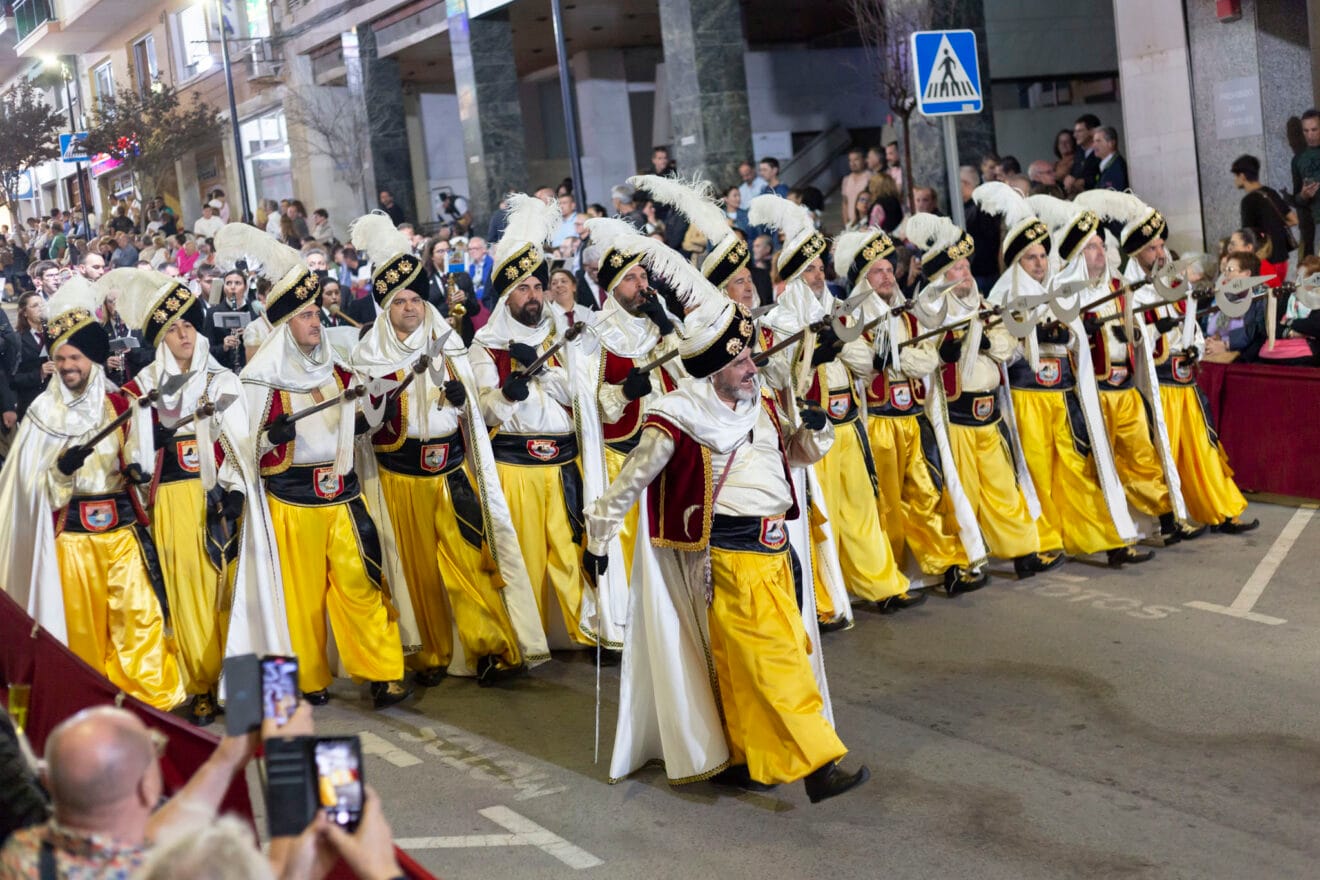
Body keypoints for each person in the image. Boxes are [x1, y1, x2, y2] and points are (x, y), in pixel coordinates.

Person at [584, 244, 869, 802]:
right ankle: (817, 765)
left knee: (753, 664)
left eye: (750, 360)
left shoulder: (759, 400)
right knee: (775, 661)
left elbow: (793, 455)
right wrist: (598, 537)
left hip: (778, 550)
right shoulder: (680, 416)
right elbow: (631, 482)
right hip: (728, 560)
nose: (752, 369)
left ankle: (744, 756)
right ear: (714, 370)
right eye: (741, 364)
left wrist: (816, 428)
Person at [349, 214, 546, 686]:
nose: (411, 308)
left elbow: (480, 412)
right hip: (397, 477)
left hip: (451, 472)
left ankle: (490, 649)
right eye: (400, 301)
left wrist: (463, 405)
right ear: (385, 308)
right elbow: (361, 425)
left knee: (470, 561)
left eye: (416, 299)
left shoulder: (451, 346)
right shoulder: (365, 356)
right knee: (413, 572)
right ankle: (429, 655)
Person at [226, 224, 413, 709]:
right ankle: (309, 680)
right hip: (291, 499)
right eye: (306, 315)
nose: (316, 322)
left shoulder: (340, 371)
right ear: (285, 325)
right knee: (302, 598)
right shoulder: (259, 380)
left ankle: (383, 673)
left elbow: (368, 422)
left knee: (361, 582)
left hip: (344, 494)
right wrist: (272, 436)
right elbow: (240, 449)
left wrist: (376, 405)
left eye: (316, 313)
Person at [107, 267, 291, 726]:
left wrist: (233, 490)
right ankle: (201, 687)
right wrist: (148, 439)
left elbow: (242, 442)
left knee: (235, 594)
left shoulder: (222, 381)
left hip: (221, 499)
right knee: (188, 598)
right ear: (159, 339)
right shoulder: (142, 390)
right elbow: (130, 457)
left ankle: (248, 691)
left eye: (189, 324)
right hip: (171, 500)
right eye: (173, 329)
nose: (184, 334)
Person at [0, 277, 186, 710]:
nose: (67, 366)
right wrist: (61, 473)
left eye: (76, 357)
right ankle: (90, 707)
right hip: (72, 541)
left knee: (139, 619)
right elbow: (32, 491)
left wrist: (137, 468)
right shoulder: (42, 415)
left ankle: (152, 703)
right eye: (61, 357)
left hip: (121, 533)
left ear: (94, 360)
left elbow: (137, 465)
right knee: (81, 633)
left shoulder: (121, 405)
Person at [751, 193, 917, 610]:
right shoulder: (774, 324)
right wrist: (811, 353)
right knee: (821, 520)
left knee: (861, 510)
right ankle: (825, 601)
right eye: (808, 270)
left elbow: (865, 366)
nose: (818, 275)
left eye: (820, 267)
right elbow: (776, 378)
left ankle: (881, 586)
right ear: (790, 276)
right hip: (811, 432)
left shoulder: (843, 311)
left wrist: (837, 343)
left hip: (849, 423)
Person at [975, 184, 1150, 567]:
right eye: (1030, 257)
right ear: (1016, 260)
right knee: (1034, 472)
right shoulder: (1004, 294)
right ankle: (1039, 543)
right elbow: (1002, 346)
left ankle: (1107, 540)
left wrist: (1069, 334)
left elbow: (1076, 337)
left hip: (1062, 393)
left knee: (1076, 466)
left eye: (1041, 255)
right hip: (1027, 396)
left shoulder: (1058, 287)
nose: (1039, 263)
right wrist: (1029, 336)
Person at [1085, 190, 1258, 534]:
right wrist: (1155, 333)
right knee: (1163, 452)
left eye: (1162, 245)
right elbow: (1124, 337)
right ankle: (1173, 518)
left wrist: (1193, 344)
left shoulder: (1172, 281)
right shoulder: (1125, 288)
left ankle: (1221, 510)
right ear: (1136, 251)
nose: (1161, 253)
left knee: (1201, 447)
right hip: (1156, 384)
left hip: (1184, 380)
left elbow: (1189, 320)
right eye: (1153, 247)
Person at [470, 194, 595, 650]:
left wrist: (545, 370)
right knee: (518, 559)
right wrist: (507, 392)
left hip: (563, 464)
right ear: (506, 296)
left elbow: (583, 397)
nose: (533, 296)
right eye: (522, 288)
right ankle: (521, 640)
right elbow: (480, 414)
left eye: (538, 287)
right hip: (515, 468)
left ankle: (588, 632)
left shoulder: (561, 337)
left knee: (569, 553)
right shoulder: (486, 345)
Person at [832, 227, 985, 594]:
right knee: (882, 505)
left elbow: (927, 358)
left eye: (889, 270)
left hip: (914, 420)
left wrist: (893, 358)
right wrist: (890, 360)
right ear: (863, 280)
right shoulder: (850, 319)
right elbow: (858, 359)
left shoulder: (908, 314)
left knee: (926, 495)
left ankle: (945, 564)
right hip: (878, 424)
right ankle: (890, 576)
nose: (887, 277)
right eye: (878, 272)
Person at [906, 212, 1059, 578]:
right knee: (963, 494)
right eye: (957, 268)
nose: (965, 273)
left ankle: (1024, 551)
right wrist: (944, 352)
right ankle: (964, 560)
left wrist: (990, 341)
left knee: (1004, 488)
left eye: (965, 266)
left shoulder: (987, 307)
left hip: (989, 416)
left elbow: (1010, 347)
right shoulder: (928, 316)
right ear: (942, 277)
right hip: (955, 416)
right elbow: (918, 359)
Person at [0, 706, 258, 877]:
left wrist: (225, 760)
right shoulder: (160, 869)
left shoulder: (19, 853)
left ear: (47, 782)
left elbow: (119, 843)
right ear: (147, 789)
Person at [1232, 154, 1296, 285]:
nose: (1235, 180)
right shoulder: (1270, 192)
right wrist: (1275, 226)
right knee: (1278, 295)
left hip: (1264, 262)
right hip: (1282, 259)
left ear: (1242, 176)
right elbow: (1294, 220)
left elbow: (1247, 236)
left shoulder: (1248, 201)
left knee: (1267, 300)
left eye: (1236, 176)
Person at [11, 293, 50, 419]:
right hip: (31, 405)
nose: (40, 308)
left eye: (42, 304)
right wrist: (39, 374)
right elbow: (12, 379)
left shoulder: (53, 334)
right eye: (35, 306)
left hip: (57, 402)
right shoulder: (17, 340)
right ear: (24, 313)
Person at [1290, 109, 1320, 257]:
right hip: (1316, 224)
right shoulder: (1298, 160)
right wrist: (1303, 195)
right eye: (1306, 131)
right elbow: (1297, 199)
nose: (1310, 135)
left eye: (1314, 129)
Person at [1065, 113, 1102, 195]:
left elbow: (1103, 176)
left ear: (1092, 131)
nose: (1075, 135)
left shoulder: (1102, 152)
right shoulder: (1078, 152)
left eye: (1079, 131)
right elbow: (1075, 172)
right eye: (1075, 131)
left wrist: (1085, 182)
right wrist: (1070, 179)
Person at [1089, 126, 1129, 191]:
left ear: (1111, 143)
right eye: (1094, 141)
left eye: (1098, 141)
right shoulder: (1110, 165)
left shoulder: (1117, 167)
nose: (1094, 145)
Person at [840, 148, 872, 226]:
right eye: (850, 160)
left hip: (866, 222)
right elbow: (845, 203)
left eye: (856, 160)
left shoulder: (870, 177)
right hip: (852, 224)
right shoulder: (846, 180)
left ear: (864, 160)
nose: (852, 163)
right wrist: (846, 223)